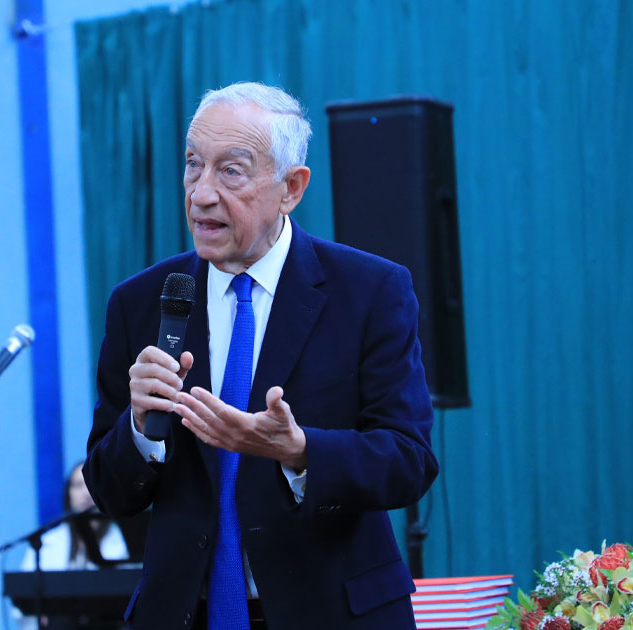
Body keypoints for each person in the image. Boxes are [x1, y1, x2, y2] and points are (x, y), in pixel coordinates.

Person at [83, 82, 439, 629]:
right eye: (193, 164)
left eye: (231, 171)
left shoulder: (370, 291)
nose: (201, 193)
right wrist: (139, 427)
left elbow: (408, 461)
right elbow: (109, 492)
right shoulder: (142, 302)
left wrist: (300, 452)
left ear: (290, 188)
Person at [13, 463, 130, 630]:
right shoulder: (47, 542)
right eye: (78, 485)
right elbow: (22, 601)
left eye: (92, 484)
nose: (86, 493)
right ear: (68, 494)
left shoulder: (125, 539)